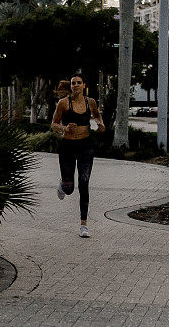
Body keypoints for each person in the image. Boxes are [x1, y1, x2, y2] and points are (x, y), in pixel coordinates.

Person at [51, 73, 105, 238]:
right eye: (73, 83)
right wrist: (64, 129)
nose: (75, 85)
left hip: (85, 146)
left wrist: (100, 124)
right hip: (67, 146)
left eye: (79, 82)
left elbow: (96, 115)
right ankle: (63, 184)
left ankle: (84, 225)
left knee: (84, 182)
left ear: (83, 85)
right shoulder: (63, 103)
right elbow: (53, 124)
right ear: (70, 86)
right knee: (69, 189)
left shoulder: (91, 102)